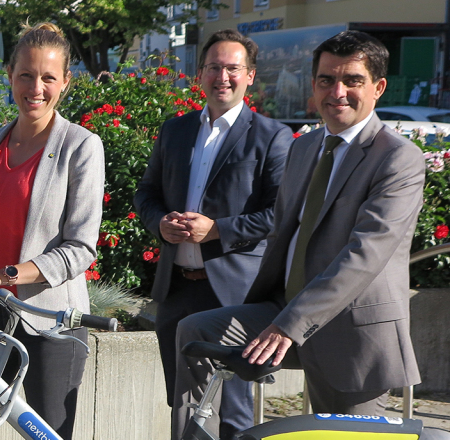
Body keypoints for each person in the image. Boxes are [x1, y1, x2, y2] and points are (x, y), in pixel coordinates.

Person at [173, 30, 424, 436]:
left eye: (352, 81)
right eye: (326, 80)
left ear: (377, 87)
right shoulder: (304, 148)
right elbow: (283, 230)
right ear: (313, 85)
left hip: (352, 334)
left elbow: (364, 255)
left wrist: (291, 324)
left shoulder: (398, 159)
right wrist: (280, 313)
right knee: (196, 330)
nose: (337, 91)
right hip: (281, 311)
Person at [134, 29, 293, 440]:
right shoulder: (175, 131)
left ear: (250, 76)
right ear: (200, 74)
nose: (223, 77)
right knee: (184, 404)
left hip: (233, 294)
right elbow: (146, 193)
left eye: (232, 69)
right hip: (177, 292)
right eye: (214, 68)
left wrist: (215, 231)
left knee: (234, 412)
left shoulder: (272, 136)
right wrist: (160, 225)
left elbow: (279, 214)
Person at [0, 22, 104, 440]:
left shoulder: (81, 146)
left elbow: (80, 248)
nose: (36, 87)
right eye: (26, 75)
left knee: (48, 435)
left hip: (48, 321)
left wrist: (5, 276)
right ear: (9, 74)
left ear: (66, 83)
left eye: (48, 77)